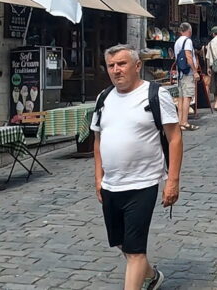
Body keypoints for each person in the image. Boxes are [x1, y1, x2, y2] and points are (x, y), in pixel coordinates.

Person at [92, 45, 183, 290]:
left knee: (134, 251)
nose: (116, 70)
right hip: (111, 184)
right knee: (121, 243)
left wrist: (172, 180)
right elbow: (98, 140)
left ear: (137, 66)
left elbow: (174, 137)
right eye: (111, 66)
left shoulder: (154, 94)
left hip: (142, 184)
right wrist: (98, 178)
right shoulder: (104, 98)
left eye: (122, 64)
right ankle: (152, 276)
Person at [173, 23, 200, 132]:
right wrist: (195, 71)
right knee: (187, 97)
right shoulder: (187, 41)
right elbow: (188, 56)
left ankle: (180, 122)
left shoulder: (177, 41)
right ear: (189, 30)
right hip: (187, 73)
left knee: (180, 98)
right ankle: (184, 121)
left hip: (180, 73)